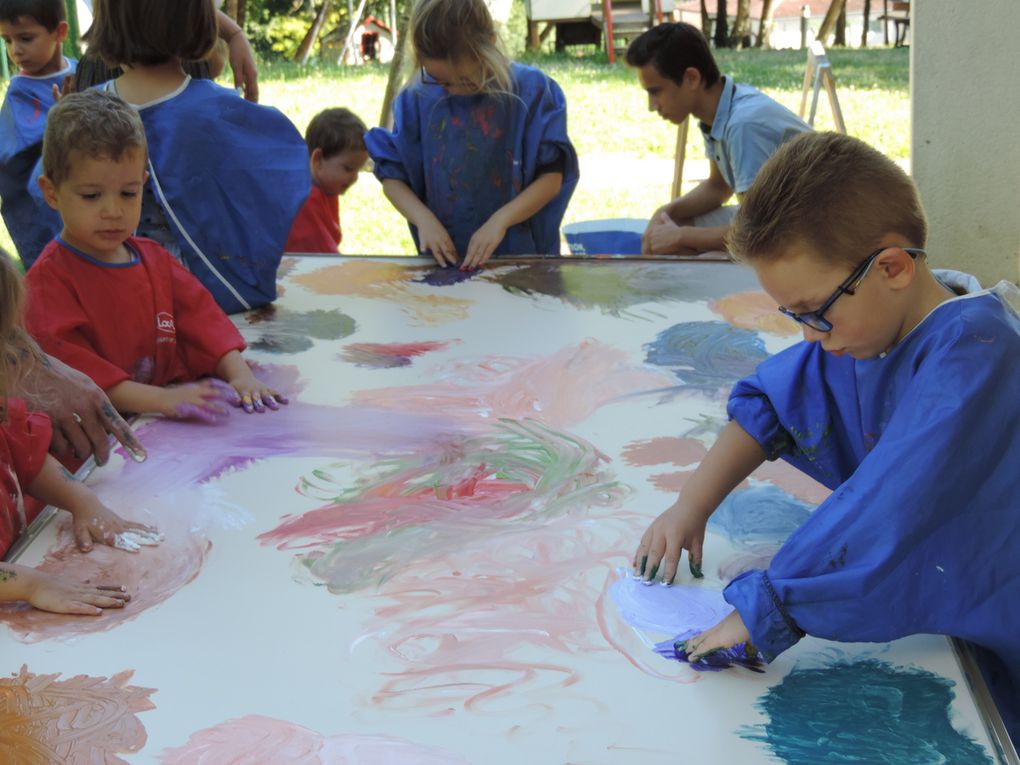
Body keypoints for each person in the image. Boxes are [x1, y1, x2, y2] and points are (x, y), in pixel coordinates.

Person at [632, 132, 1020, 737]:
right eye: (794, 318)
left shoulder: (977, 354)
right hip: (955, 624)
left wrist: (771, 606)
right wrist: (692, 505)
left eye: (814, 313)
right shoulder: (870, 329)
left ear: (890, 266)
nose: (810, 336)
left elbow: (893, 497)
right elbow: (771, 402)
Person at [25, 89, 288, 419]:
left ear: (143, 183)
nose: (113, 211)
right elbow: (79, 381)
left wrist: (241, 376)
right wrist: (164, 401)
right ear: (51, 192)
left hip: (163, 428)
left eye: (128, 193)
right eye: (91, 196)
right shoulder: (47, 285)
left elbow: (203, 322)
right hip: (102, 448)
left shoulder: (154, 259)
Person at [70, 0, 309, 314]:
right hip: (196, 293)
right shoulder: (216, 111)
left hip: (102, 288)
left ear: (106, 21)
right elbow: (280, 170)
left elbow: (47, 192)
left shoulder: (84, 112)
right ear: (199, 22)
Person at [0, 252, 159, 615]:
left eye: (12, 337)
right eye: (7, 344)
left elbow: (27, 456)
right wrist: (32, 584)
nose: (19, 354)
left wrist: (81, 501)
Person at [365, 0, 579, 270]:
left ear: (490, 44)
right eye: (440, 81)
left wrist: (499, 222)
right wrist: (423, 219)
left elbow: (551, 178)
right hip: (447, 264)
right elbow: (392, 177)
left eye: (465, 80)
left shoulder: (532, 92)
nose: (453, 90)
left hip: (524, 262)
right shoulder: (416, 98)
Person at [626, 23, 810, 257]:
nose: (651, 106)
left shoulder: (744, 125)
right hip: (780, 226)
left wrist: (681, 236)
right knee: (676, 226)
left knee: (701, 261)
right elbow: (718, 187)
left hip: (818, 240)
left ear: (692, 78)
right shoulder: (719, 110)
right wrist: (667, 212)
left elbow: (755, 232)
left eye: (655, 91)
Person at [0, 0, 74, 268]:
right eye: (7, 40)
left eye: (25, 38)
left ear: (60, 32)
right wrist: (63, 117)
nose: (15, 50)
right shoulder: (21, 91)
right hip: (37, 214)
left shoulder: (78, 71)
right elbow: (18, 150)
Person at [285, 107, 369, 254]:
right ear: (318, 160)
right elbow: (325, 259)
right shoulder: (305, 201)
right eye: (348, 169)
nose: (355, 177)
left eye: (358, 170)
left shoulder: (326, 188)